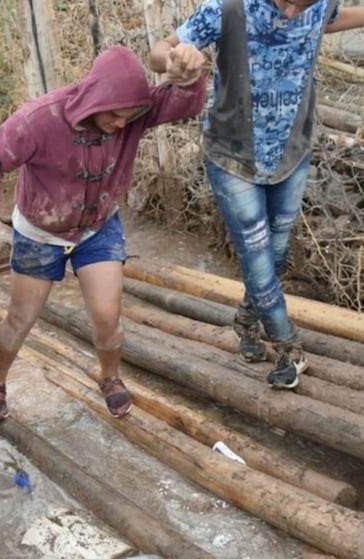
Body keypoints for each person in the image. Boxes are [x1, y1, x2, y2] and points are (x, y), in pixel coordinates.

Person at [0, 44, 206, 420]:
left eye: (128, 118)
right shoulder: (39, 119)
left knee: (107, 315)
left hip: (97, 227)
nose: (120, 125)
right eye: (114, 117)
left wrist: (191, 77)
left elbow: (186, 103)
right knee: (21, 318)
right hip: (40, 231)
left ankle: (110, 378)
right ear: (96, 101)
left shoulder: (134, 114)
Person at [149, 0, 364, 389]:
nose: (293, 12)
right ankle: (288, 347)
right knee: (256, 253)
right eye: (287, 2)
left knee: (275, 255)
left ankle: (246, 322)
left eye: (305, 5)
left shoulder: (320, 6)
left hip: (291, 152)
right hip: (232, 156)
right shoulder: (228, 8)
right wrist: (176, 60)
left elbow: (335, 17)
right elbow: (159, 51)